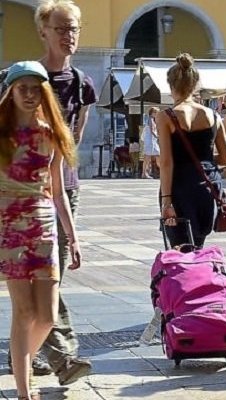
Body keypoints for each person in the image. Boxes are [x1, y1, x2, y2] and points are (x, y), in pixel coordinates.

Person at [0, 61, 82, 400]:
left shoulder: (51, 133)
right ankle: (23, 389)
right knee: (25, 311)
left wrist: (73, 237)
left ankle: (22, 361)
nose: (30, 95)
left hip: (45, 225)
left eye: (36, 88)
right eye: (23, 88)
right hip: (8, 227)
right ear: (11, 91)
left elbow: (59, 189)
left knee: (47, 317)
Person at [28, 0, 95, 386]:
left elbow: (76, 139)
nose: (69, 36)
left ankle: (25, 347)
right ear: (43, 31)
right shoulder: (25, 79)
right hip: (27, 191)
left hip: (64, 187)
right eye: (61, 29)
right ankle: (63, 354)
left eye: (74, 29)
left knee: (54, 275)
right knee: (44, 274)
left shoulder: (83, 84)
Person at [157, 54, 226, 249]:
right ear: (195, 84)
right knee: (197, 247)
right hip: (207, 186)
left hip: (179, 187)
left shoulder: (166, 116)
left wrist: (166, 201)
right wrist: (204, 159)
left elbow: (166, 162)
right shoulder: (213, 116)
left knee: (179, 249)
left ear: (170, 85)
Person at [142, 107, 160, 178]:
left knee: (152, 156)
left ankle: (144, 173)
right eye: (156, 112)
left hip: (151, 141)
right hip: (151, 141)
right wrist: (158, 137)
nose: (157, 114)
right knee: (148, 157)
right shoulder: (151, 120)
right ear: (152, 113)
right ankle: (144, 173)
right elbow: (152, 130)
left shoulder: (150, 119)